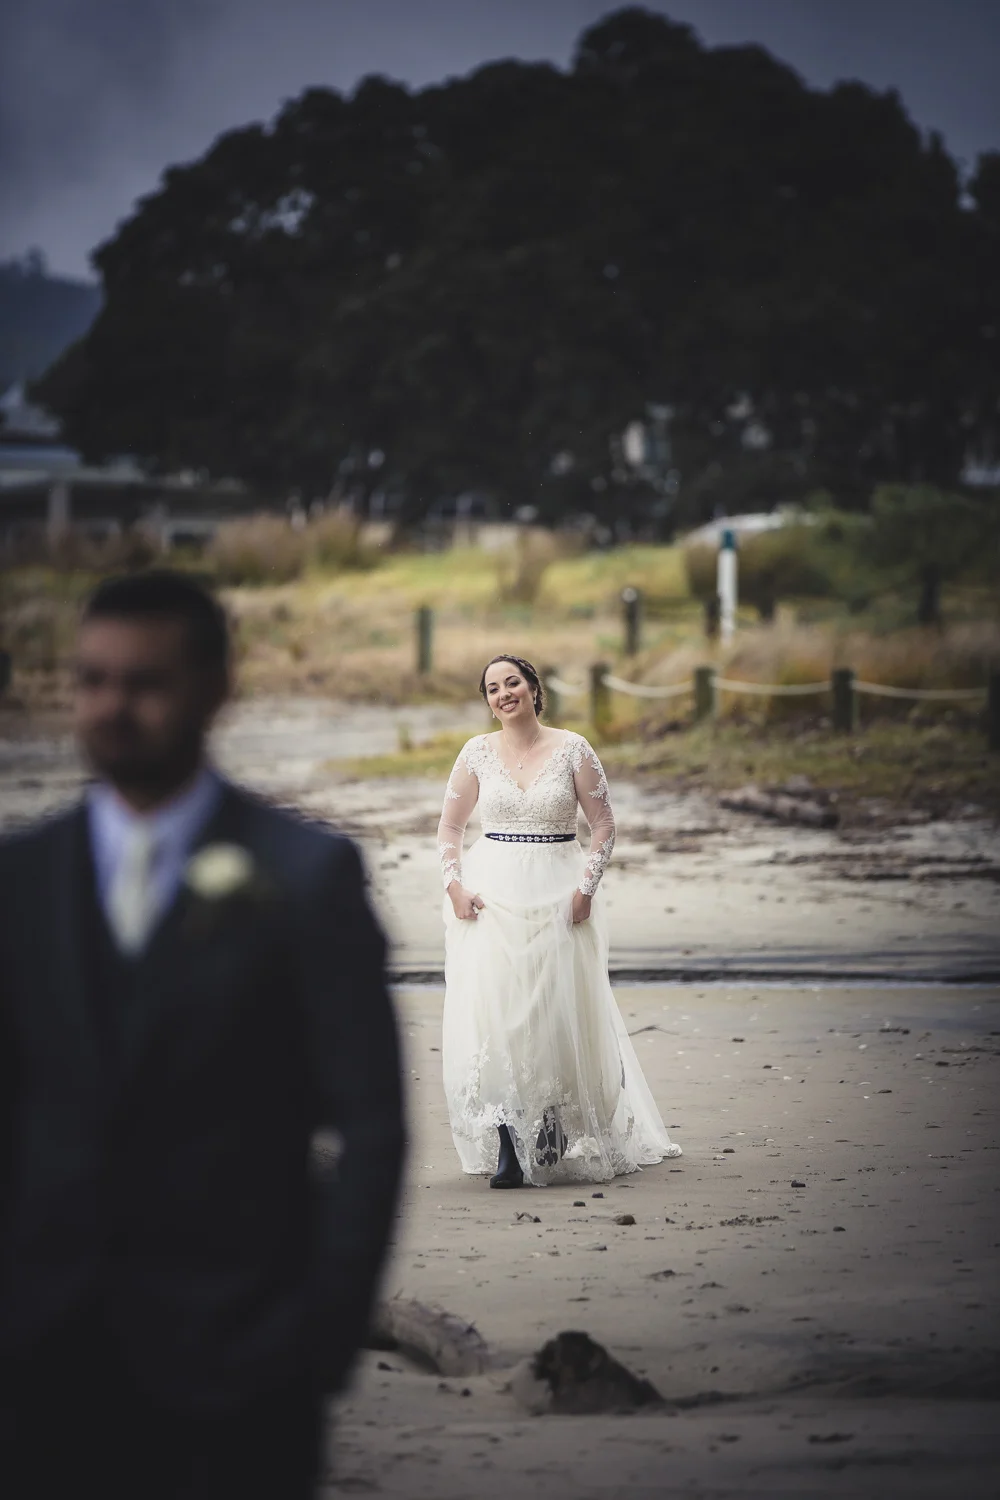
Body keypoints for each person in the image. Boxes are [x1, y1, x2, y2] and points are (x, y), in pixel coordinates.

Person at [0, 570, 405, 1499]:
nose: (112, 706)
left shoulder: (306, 875)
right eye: (91, 680)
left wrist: (321, 1337)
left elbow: (371, 1124)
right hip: (41, 1366)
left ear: (217, 689)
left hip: (245, 1366)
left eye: (145, 682)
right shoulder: (19, 879)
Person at [436, 654, 681, 1188]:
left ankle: (550, 1123)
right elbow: (450, 828)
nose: (504, 693)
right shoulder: (476, 753)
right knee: (497, 1014)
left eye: (513, 682)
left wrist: (585, 891)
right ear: (488, 702)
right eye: (493, 688)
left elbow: (604, 824)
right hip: (492, 895)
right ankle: (506, 1141)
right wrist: (455, 887)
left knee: (552, 1010)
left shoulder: (573, 748)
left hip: (558, 892)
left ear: (533, 689)